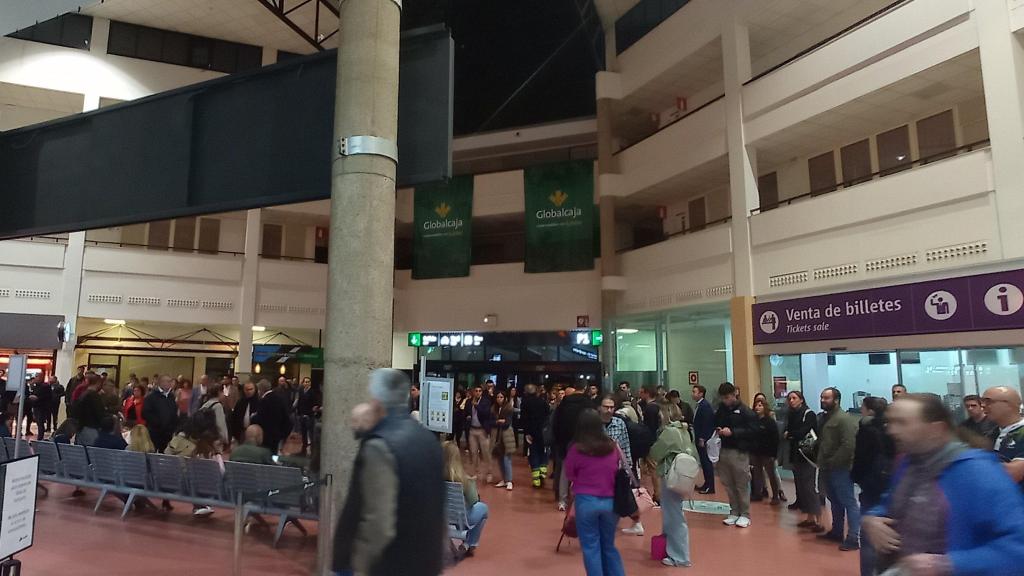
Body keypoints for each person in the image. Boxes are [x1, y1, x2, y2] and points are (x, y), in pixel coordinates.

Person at [863, 393, 1024, 575]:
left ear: (936, 429)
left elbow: (1018, 547)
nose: (891, 430)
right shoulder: (908, 463)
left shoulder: (978, 472)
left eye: (902, 423)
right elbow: (890, 504)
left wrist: (947, 564)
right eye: (890, 422)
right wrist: (873, 520)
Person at [332, 369, 444, 576]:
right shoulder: (428, 439)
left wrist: (361, 566)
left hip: (392, 564)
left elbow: (379, 524)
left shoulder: (380, 446)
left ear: (376, 400)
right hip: (426, 560)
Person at [564, 409, 626, 576]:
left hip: (586, 501)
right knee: (609, 546)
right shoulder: (612, 447)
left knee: (591, 547)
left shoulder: (577, 449)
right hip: (611, 502)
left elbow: (570, 474)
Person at [649, 402, 697, 568]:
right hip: (684, 475)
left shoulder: (668, 432)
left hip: (671, 474)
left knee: (673, 515)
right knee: (675, 512)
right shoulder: (685, 430)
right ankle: (673, 549)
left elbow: (655, 452)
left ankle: (679, 556)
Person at [851, 396, 894, 576]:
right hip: (886, 487)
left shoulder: (867, 430)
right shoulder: (888, 432)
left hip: (873, 487)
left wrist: (856, 477)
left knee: (869, 538)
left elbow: (861, 458)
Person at [817, 387, 861, 551]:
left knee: (848, 501)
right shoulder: (825, 418)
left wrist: (834, 461)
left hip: (841, 468)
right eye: (822, 397)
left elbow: (849, 445)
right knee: (834, 500)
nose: (823, 400)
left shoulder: (844, 419)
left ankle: (853, 536)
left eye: (826, 398)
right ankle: (836, 531)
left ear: (836, 400)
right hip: (827, 466)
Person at [599, 394, 643, 537]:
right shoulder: (593, 425)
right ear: (600, 407)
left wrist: (628, 468)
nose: (609, 410)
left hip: (616, 469)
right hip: (598, 469)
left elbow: (625, 446)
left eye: (612, 407)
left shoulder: (619, 424)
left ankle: (636, 522)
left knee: (624, 495)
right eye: (606, 407)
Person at [714, 382, 757, 528]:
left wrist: (733, 432)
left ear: (734, 394)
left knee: (741, 483)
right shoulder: (722, 409)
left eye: (727, 397)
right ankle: (734, 511)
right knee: (728, 483)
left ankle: (745, 513)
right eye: (723, 398)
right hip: (724, 449)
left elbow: (753, 431)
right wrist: (718, 428)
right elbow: (716, 421)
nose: (725, 401)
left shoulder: (746, 411)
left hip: (739, 452)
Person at [442, 440, 488, 557]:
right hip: (460, 517)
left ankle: (467, 543)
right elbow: (474, 501)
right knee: (483, 508)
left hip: (440, 516)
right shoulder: (464, 480)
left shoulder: (433, 476)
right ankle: (469, 543)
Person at [784, 390, 822, 530]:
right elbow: (788, 431)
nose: (791, 400)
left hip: (807, 455)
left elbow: (803, 432)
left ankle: (818, 519)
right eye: (789, 398)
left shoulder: (808, 414)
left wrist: (791, 434)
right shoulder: (791, 414)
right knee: (801, 487)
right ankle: (809, 517)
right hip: (796, 454)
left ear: (801, 399)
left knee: (809, 487)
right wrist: (791, 434)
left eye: (794, 398)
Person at [552, 386, 595, 510]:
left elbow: (556, 424)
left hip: (566, 442)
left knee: (565, 471)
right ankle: (580, 499)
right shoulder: (589, 404)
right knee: (584, 471)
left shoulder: (564, 405)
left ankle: (562, 500)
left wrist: (559, 441)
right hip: (584, 441)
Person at [983, 386, 1024, 490]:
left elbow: (1012, 474)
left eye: (988, 402)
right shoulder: (991, 434)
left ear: (1009, 404)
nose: (983, 406)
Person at [751, 396, 785, 505]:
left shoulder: (769, 422)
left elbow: (775, 438)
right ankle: (758, 493)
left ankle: (775, 495)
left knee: (771, 474)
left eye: (760, 405)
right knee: (757, 474)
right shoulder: (753, 421)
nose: (757, 407)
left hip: (767, 452)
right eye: (756, 405)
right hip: (756, 452)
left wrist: (774, 454)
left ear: (764, 407)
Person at [520, 384, 550, 488]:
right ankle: (543, 473)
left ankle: (536, 480)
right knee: (543, 453)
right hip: (543, 433)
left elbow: (524, 419)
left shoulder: (525, 403)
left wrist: (527, 432)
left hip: (532, 433)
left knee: (534, 455)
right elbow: (548, 415)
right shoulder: (542, 401)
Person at [637, 385, 663, 503]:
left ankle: (658, 494)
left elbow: (650, 428)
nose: (639, 394)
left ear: (647, 393)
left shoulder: (650, 408)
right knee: (652, 468)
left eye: (641, 392)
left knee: (653, 468)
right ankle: (656, 494)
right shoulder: (657, 407)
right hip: (655, 440)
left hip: (650, 441)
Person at [466, 383, 495, 483]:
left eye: (480, 391)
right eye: (476, 391)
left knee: (486, 453)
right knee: (473, 453)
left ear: (482, 392)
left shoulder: (486, 401)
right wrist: (468, 417)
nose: (478, 393)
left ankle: (489, 472)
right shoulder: (469, 401)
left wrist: (477, 406)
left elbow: (486, 413)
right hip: (472, 430)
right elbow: (466, 412)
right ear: (473, 392)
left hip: (482, 430)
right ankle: (475, 473)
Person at [253, 379, 290, 455]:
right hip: (277, 434)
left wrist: (252, 417)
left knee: (265, 455)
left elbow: (260, 418)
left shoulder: (264, 400)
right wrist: (283, 434)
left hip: (266, 434)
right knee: (274, 454)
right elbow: (286, 417)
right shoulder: (279, 398)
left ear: (261, 389)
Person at [143, 375, 179, 454]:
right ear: (162, 383)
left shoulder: (171, 396)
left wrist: (174, 426)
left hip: (168, 433)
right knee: (152, 453)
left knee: (165, 454)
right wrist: (158, 423)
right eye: (168, 381)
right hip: (154, 432)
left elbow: (174, 412)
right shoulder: (151, 397)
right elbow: (146, 413)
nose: (170, 383)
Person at [692, 384, 716, 495]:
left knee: (706, 462)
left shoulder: (705, 406)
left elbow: (706, 423)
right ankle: (706, 483)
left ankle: (710, 486)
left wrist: (703, 437)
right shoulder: (699, 405)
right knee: (703, 461)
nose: (693, 394)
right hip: (699, 436)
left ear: (701, 393)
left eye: (694, 391)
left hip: (703, 438)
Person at [70, 373, 106, 446]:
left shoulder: (83, 395)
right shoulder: (94, 396)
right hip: (92, 428)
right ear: (98, 383)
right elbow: (99, 413)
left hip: (82, 428)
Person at [491, 390, 516, 490]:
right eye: (498, 397)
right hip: (497, 436)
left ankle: (509, 480)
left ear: (504, 398)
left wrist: (501, 422)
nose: (499, 399)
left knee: (507, 459)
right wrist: (499, 421)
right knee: (500, 459)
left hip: (506, 435)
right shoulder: (494, 409)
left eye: (501, 397)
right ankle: (504, 479)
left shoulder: (508, 408)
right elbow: (492, 422)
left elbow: (507, 423)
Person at [197, 382, 229, 451]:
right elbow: (221, 425)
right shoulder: (218, 406)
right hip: (215, 439)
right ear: (219, 392)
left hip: (203, 438)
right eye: (223, 392)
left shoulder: (205, 404)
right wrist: (225, 440)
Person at [297, 377, 321, 455]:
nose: (306, 383)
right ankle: (304, 449)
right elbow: (299, 402)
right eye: (305, 382)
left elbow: (316, 404)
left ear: (310, 383)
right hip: (302, 415)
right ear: (303, 383)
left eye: (308, 382)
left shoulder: (312, 392)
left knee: (311, 433)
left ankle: (312, 451)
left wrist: (313, 410)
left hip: (309, 416)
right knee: (303, 433)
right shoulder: (301, 392)